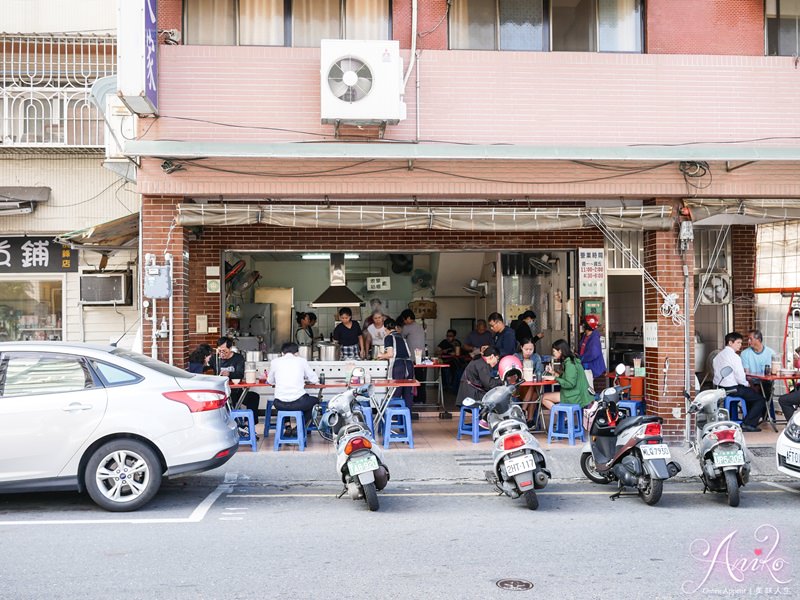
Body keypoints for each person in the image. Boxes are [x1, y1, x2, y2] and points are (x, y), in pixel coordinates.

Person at [712, 331, 767, 432]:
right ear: (730, 343)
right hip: (733, 389)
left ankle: (746, 419)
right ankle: (748, 424)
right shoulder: (735, 357)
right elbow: (740, 377)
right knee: (760, 399)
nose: (740, 346)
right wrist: (748, 385)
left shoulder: (717, 356)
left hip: (719, 388)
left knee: (751, 395)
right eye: (738, 343)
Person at [267, 342, 319, 434]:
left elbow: (270, 381)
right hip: (299, 403)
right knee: (315, 401)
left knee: (285, 400)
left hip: (279, 404)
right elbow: (314, 379)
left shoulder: (275, 362)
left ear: (282, 353)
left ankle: (288, 426)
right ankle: (299, 428)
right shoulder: (301, 361)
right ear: (296, 353)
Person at [209, 336, 261, 425]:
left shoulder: (238, 358)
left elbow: (240, 374)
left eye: (224, 351)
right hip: (220, 392)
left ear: (230, 349)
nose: (222, 354)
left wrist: (229, 374)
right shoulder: (214, 359)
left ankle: (248, 424)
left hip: (236, 391)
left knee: (254, 397)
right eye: (220, 351)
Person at [541, 339, 595, 411]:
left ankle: (563, 416)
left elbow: (570, 384)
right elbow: (567, 378)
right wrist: (553, 373)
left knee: (543, 398)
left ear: (560, 351)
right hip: (576, 394)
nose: (553, 353)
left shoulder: (570, 364)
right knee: (545, 396)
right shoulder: (572, 360)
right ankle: (564, 416)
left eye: (554, 351)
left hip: (575, 396)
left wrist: (554, 379)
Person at [377, 317, 415, 410]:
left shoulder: (389, 337)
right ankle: (406, 418)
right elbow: (408, 353)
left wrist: (381, 355)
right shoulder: (402, 337)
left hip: (398, 367)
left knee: (395, 392)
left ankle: (394, 417)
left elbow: (390, 354)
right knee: (407, 393)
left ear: (385, 328)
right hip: (409, 365)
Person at [741, 329, 775, 415]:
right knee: (751, 391)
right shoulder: (745, 354)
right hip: (751, 382)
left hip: (765, 382)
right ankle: (752, 418)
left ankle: (767, 416)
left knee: (767, 388)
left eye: (750, 339)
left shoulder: (770, 353)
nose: (748, 341)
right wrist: (753, 386)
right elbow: (747, 374)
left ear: (758, 340)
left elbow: (772, 372)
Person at [399, 308, 427, 403]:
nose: (404, 321)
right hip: (421, 356)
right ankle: (422, 399)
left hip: (412, 359)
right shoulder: (419, 326)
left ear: (409, 318)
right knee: (421, 379)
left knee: (410, 379)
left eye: (404, 319)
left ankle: (412, 399)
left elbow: (400, 338)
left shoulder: (407, 327)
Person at [515, 338, 543, 423]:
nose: (528, 351)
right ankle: (530, 419)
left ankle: (526, 415)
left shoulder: (536, 357)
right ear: (521, 347)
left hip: (531, 387)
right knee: (533, 390)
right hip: (518, 389)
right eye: (526, 349)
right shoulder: (516, 356)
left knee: (534, 392)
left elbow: (539, 372)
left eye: (531, 349)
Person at [579, 314, 607, 393]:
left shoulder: (594, 338)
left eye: (583, 324)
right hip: (587, 368)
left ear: (586, 326)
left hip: (594, 369)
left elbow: (594, 353)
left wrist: (581, 359)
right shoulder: (586, 336)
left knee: (590, 392)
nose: (582, 325)